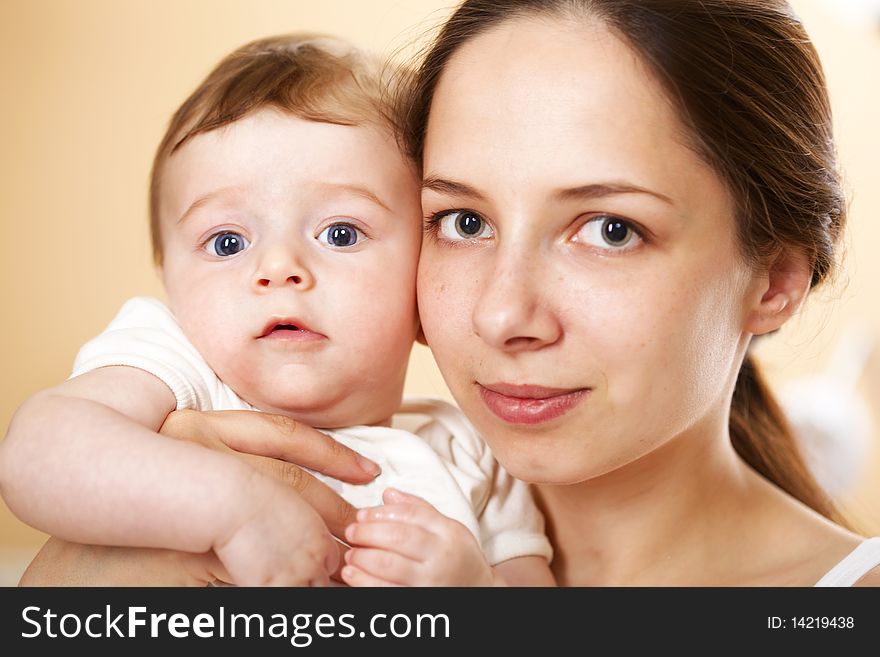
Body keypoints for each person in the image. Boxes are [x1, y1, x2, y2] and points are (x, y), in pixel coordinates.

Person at [18, 0, 880, 587]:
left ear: (773, 280)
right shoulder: (173, 432)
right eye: (463, 220)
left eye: (610, 228)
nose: (501, 313)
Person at [0, 33, 553, 587]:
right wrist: (231, 508)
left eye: (339, 233)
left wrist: (476, 588)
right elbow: (36, 455)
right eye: (227, 243)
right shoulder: (179, 375)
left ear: (423, 272)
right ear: (168, 274)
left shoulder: (469, 453)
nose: (279, 268)